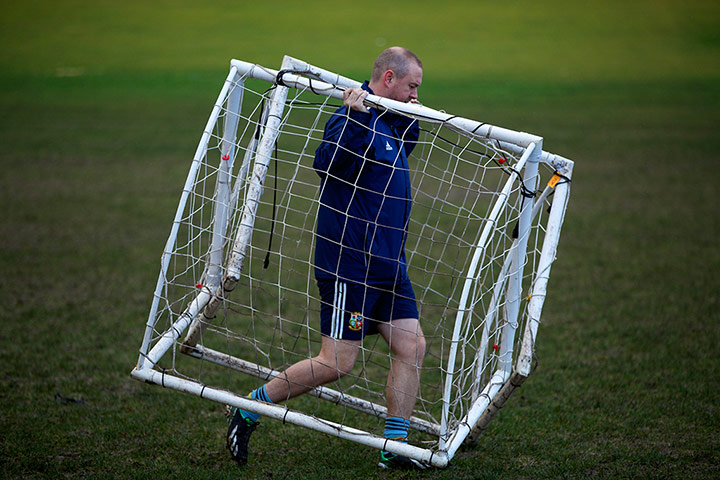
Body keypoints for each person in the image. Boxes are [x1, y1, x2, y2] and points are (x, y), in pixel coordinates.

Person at [226, 46, 427, 470]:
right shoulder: (348, 118)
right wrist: (355, 117)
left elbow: (401, 147)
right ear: (388, 78)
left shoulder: (391, 123)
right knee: (337, 362)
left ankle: (396, 449)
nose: (415, 95)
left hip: (390, 265)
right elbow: (326, 164)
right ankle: (248, 408)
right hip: (349, 266)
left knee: (411, 346)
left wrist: (410, 115)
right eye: (411, 87)